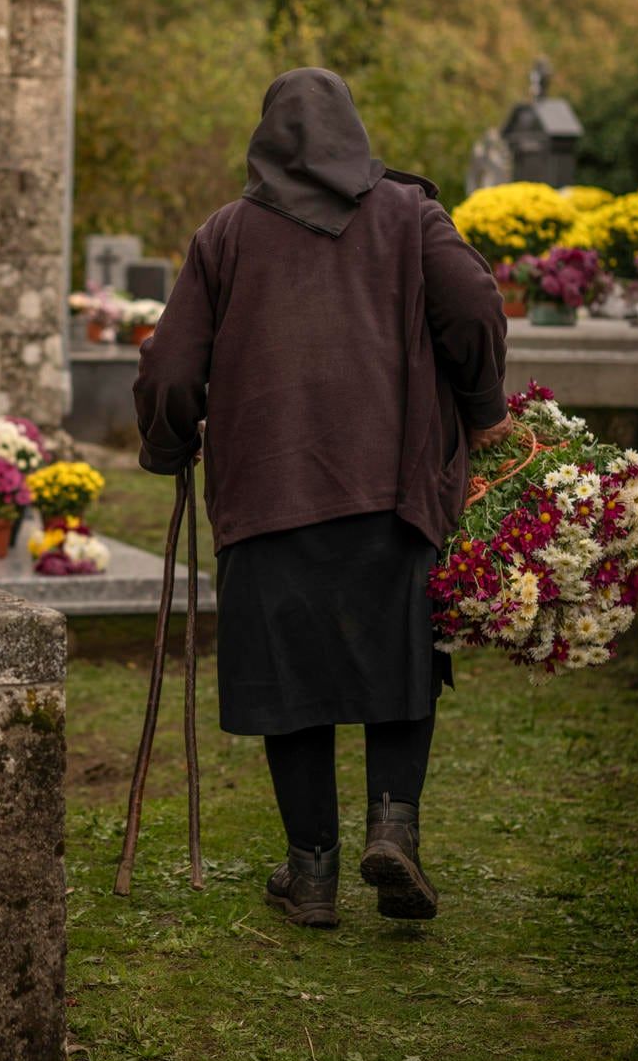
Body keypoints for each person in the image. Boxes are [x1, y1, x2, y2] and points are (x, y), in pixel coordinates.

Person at [133, 67, 511, 928]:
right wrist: (483, 409)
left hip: (271, 497)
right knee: (401, 663)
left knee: (289, 681)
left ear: (266, 135)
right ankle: (393, 830)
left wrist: (167, 443)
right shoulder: (410, 216)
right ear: (355, 132)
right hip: (393, 489)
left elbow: (170, 364)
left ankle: (312, 876)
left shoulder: (225, 234)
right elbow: (474, 306)